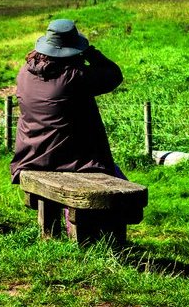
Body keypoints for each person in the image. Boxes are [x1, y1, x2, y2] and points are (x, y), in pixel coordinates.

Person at [10, 19, 124, 185]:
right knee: (124, 199)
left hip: (30, 159)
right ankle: (71, 212)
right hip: (74, 162)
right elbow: (114, 75)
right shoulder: (74, 77)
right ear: (73, 49)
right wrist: (90, 53)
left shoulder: (25, 72)